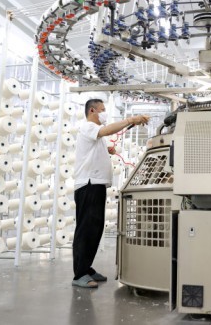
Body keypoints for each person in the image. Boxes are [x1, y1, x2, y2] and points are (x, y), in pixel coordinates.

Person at [72, 98, 150, 288]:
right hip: (88, 185)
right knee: (86, 229)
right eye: (102, 109)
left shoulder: (94, 133)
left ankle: (86, 268)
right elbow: (105, 131)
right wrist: (131, 120)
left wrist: (107, 149)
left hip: (96, 185)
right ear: (92, 111)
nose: (104, 112)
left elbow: (95, 145)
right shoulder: (88, 127)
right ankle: (79, 274)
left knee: (95, 229)